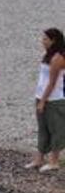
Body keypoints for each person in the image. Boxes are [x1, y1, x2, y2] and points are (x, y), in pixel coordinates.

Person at [25, 28, 65, 172]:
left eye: (45, 39)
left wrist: (43, 101)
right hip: (41, 95)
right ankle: (39, 158)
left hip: (54, 99)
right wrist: (39, 98)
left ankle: (54, 161)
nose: (43, 41)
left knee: (56, 129)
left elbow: (52, 82)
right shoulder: (48, 55)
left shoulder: (58, 58)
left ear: (53, 40)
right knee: (42, 128)